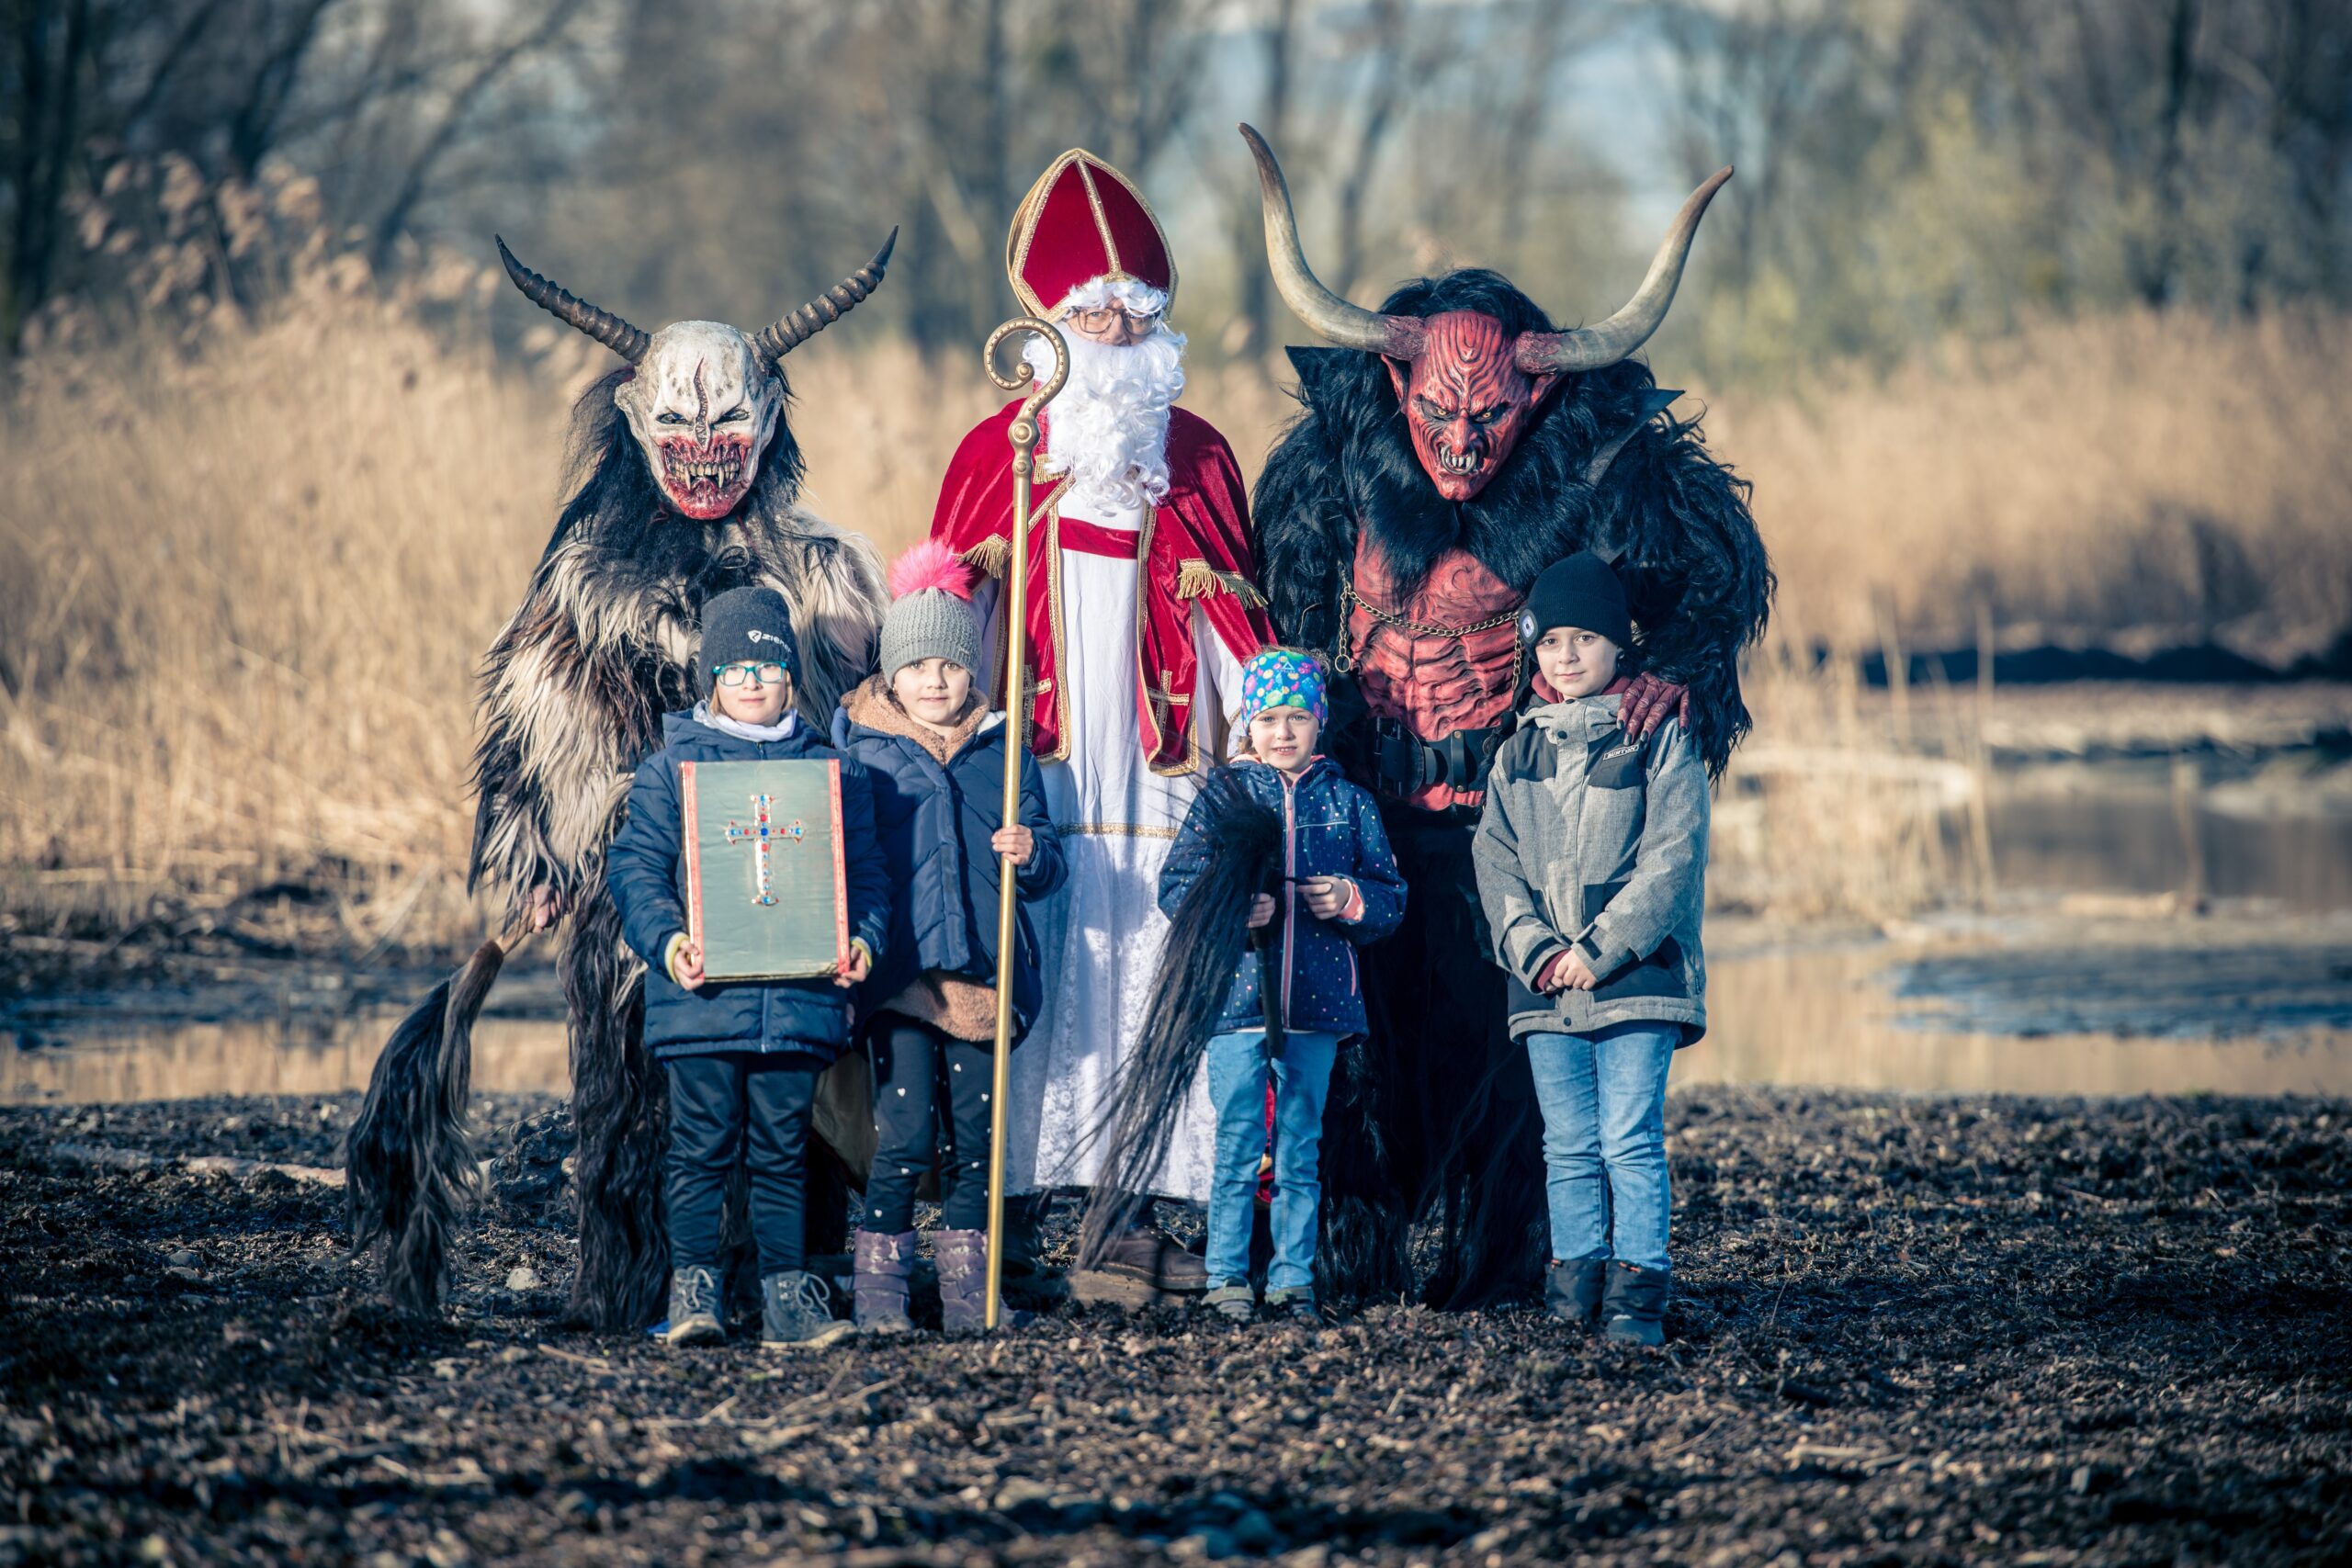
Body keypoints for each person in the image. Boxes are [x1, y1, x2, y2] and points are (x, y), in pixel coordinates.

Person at [929, 149, 1272, 1303]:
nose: (1121, 328)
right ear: (1050, 322)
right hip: (1045, 771)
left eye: (1139, 309)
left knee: (1149, 972)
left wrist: (1253, 757)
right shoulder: (999, 453)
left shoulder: (1202, 456)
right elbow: (953, 625)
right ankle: (1008, 1224)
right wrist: (953, 748)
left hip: (1165, 768)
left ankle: (1124, 1219)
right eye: (1095, 310)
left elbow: (1234, 623)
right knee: (1034, 978)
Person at [605, 586, 891, 1351]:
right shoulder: (673, 770)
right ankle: (694, 1288)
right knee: (700, 1146)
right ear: (711, 681)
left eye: (767, 665)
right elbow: (635, 869)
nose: (753, 680)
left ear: (792, 677)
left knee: (783, 1150)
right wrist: (669, 942)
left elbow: (863, 874)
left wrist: (862, 938)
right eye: (735, 668)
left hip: (797, 1003)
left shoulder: (831, 774)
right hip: (701, 1003)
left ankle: (787, 1297)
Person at [1470, 555, 1710, 1347]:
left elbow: (1672, 860)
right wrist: (1535, 950)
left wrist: (1601, 950)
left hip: (1637, 978)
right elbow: (1494, 859)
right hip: (1543, 985)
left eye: (1584, 638)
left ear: (1620, 644)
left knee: (1628, 1137)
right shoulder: (1517, 752)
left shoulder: (1660, 741)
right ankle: (1576, 1287)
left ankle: (1637, 1296)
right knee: (1566, 1142)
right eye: (1550, 642)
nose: (1565, 656)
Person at [831, 542, 1067, 1333]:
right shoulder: (862, 752)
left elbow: (1047, 860)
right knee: (902, 1136)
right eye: (918, 664)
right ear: (892, 673)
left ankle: (971, 1293)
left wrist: (1030, 853)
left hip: (981, 974)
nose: (935, 680)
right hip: (900, 975)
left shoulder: (1002, 753)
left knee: (978, 1139)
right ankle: (880, 1293)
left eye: (951, 665)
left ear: (974, 671)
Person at [1159, 649, 1405, 1324]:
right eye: (1268, 717)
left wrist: (1350, 897)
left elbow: (1391, 898)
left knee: (1301, 1146)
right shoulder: (1225, 797)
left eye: (1297, 716)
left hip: (1317, 1007)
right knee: (1238, 1142)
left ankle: (1294, 1278)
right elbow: (1175, 887)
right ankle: (1227, 1277)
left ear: (1320, 720)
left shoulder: (1348, 803)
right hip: (1236, 1006)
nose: (1283, 732)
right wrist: (1235, 906)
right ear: (1249, 725)